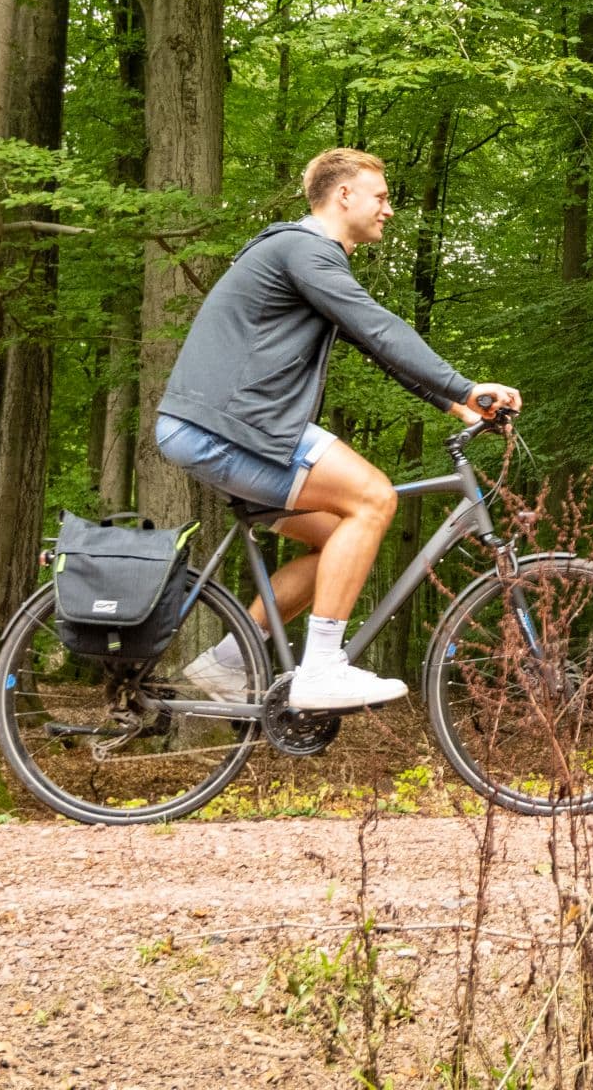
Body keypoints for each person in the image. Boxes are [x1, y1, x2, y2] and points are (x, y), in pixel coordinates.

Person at [153, 146, 522, 713]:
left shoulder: (301, 259)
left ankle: (227, 662)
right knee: (373, 497)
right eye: (381, 196)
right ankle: (321, 668)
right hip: (231, 428)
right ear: (343, 194)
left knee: (336, 540)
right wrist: (466, 385)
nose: (389, 210)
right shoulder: (304, 250)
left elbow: (375, 348)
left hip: (224, 429)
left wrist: (458, 406)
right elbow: (379, 328)